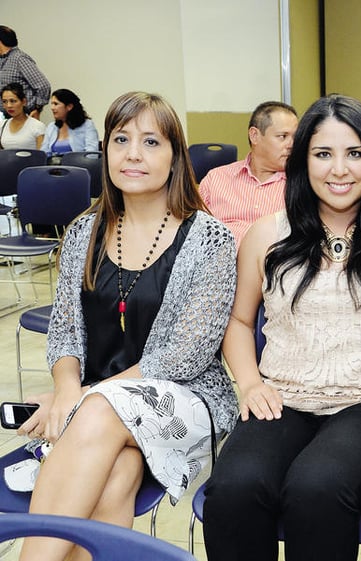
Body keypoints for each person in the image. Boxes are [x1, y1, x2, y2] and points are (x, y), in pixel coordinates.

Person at [202, 94, 361, 561]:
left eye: (355, 153)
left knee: (316, 488)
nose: (339, 170)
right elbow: (240, 320)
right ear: (303, 159)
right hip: (282, 398)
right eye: (323, 154)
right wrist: (249, 384)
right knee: (232, 490)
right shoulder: (268, 234)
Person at [16, 91, 238, 561]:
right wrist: (68, 385)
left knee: (100, 414)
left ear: (176, 157)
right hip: (100, 408)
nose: (133, 154)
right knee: (115, 474)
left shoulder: (209, 238)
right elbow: (63, 333)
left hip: (184, 398)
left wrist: (78, 401)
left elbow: (181, 357)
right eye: (121, 139)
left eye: (151, 142)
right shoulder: (83, 232)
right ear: (106, 151)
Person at [199, 101, 298, 247]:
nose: (291, 145)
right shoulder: (215, 179)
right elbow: (191, 234)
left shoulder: (300, 184)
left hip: (274, 265)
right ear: (254, 136)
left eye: (295, 137)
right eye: (283, 136)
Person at [0, 25, 50, 118]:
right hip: (5, 118)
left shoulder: (19, 59)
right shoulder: (2, 60)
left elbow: (43, 86)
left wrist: (37, 109)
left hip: (23, 117)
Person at [41, 88, 100, 157]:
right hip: (53, 166)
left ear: (69, 106)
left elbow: (92, 155)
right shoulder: (51, 127)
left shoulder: (87, 125)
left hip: (78, 166)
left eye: (56, 104)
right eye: (52, 104)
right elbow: (44, 153)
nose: (52, 108)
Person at [0, 82, 44, 149]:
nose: (9, 105)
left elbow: (42, 156)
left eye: (13, 101)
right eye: (5, 101)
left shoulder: (37, 126)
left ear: (24, 102)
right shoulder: (2, 125)